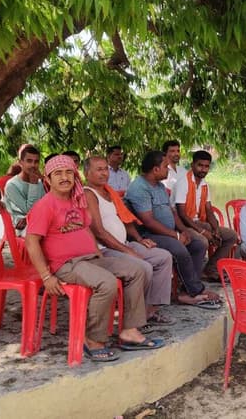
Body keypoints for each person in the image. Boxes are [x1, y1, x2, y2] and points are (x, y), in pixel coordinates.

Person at [25, 155, 163, 362]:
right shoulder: (45, 205)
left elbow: (85, 227)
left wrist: (95, 249)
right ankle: (93, 340)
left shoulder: (76, 201)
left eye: (69, 172)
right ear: (48, 179)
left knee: (138, 270)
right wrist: (46, 276)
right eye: (58, 174)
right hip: (66, 264)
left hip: (89, 257)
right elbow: (31, 242)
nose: (64, 177)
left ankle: (129, 331)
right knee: (106, 283)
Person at [83, 156, 174, 326]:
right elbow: (100, 233)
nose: (104, 173)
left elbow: (125, 219)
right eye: (99, 169)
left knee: (163, 257)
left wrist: (139, 239)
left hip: (122, 244)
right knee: (143, 267)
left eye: (105, 169)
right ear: (87, 173)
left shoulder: (108, 192)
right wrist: (128, 251)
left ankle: (150, 310)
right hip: (104, 249)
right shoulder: (88, 194)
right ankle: (133, 319)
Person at [125, 150, 222, 308]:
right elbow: (148, 221)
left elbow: (172, 212)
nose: (168, 170)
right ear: (155, 169)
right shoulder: (139, 188)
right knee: (179, 248)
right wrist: (176, 236)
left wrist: (183, 230)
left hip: (167, 232)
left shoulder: (159, 186)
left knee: (198, 244)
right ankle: (195, 291)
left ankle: (186, 290)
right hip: (148, 235)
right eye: (165, 166)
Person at [173, 150, 238, 281]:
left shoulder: (204, 185)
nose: (203, 169)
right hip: (181, 224)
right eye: (200, 165)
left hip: (198, 222)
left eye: (206, 166)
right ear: (192, 165)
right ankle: (191, 279)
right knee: (202, 241)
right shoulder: (183, 183)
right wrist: (203, 231)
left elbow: (208, 209)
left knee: (231, 235)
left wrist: (215, 229)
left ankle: (210, 269)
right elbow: (182, 214)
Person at [3, 145, 45, 234]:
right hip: (21, 229)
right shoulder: (11, 185)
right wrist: (33, 185)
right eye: (29, 161)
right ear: (20, 162)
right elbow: (29, 210)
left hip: (39, 222)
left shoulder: (38, 182)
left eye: (36, 162)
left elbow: (45, 206)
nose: (33, 165)